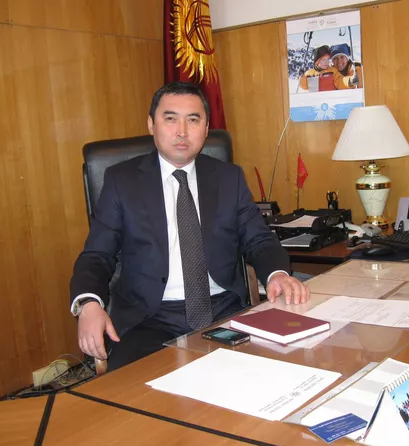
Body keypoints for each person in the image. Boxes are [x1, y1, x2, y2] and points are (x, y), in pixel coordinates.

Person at [70, 81, 310, 371]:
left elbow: (258, 239)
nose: (182, 131)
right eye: (170, 119)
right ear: (151, 124)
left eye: (193, 120)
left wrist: (277, 274)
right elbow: (97, 255)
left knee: (281, 369)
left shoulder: (228, 178)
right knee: (135, 392)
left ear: (206, 128)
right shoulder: (122, 181)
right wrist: (89, 303)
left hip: (223, 311)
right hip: (149, 320)